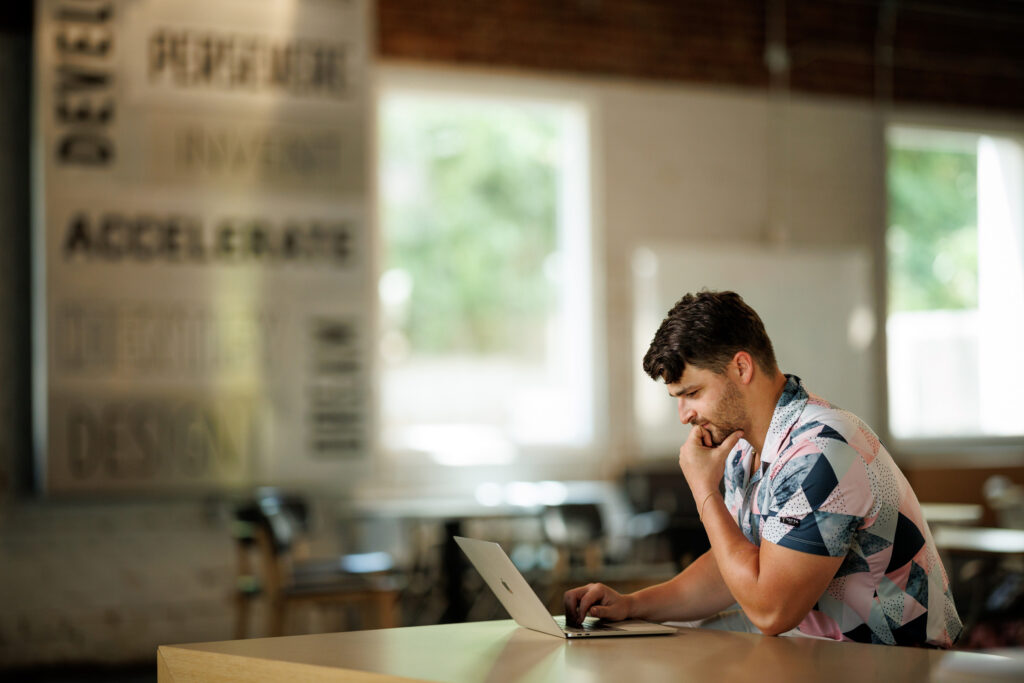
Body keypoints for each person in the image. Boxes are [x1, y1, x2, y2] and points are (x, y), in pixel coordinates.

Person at [563, 290, 962, 648]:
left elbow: (771, 611)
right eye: (677, 398)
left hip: (900, 668)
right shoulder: (743, 448)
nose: (684, 415)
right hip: (826, 660)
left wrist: (704, 492)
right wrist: (632, 604)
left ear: (741, 368)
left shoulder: (820, 451)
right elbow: (736, 566)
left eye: (693, 393)